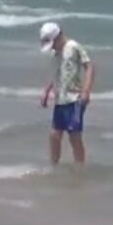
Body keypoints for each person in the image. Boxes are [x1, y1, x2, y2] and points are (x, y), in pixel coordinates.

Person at [39, 22, 95, 168]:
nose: (52, 47)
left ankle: (79, 167)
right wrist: (47, 91)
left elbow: (89, 66)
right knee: (54, 135)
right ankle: (53, 166)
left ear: (59, 37)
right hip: (60, 99)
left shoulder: (73, 47)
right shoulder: (55, 53)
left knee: (74, 136)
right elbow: (55, 73)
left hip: (75, 99)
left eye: (53, 43)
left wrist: (86, 90)